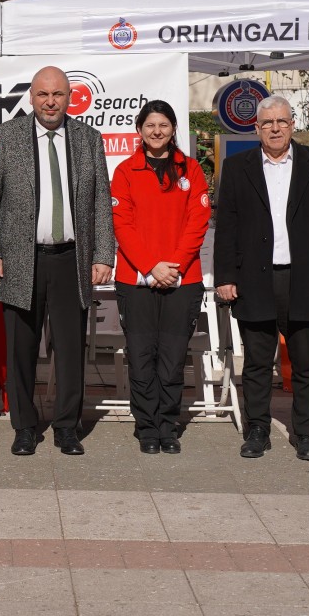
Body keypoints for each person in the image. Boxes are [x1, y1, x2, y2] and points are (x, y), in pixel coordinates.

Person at [0, 66, 116, 456]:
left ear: (69, 97)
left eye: (58, 95)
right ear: (31, 97)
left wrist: (104, 253)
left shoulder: (88, 139)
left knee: (71, 350)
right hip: (20, 260)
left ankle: (67, 427)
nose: (50, 102)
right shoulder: (8, 136)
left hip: (71, 259)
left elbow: (101, 201)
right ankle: (24, 427)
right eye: (42, 95)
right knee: (20, 349)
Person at [214, 95, 309, 461]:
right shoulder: (238, 166)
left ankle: (304, 432)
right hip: (254, 280)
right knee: (256, 363)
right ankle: (257, 429)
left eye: (282, 122)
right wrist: (225, 275)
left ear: (292, 125)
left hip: (304, 278)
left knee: (304, 363)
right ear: (256, 129)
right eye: (268, 123)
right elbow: (226, 226)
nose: (275, 128)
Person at [111, 101, 211, 455]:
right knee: (141, 355)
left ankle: (168, 426)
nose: (157, 131)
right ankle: (146, 427)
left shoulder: (192, 170)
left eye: (164, 125)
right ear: (139, 130)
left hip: (182, 280)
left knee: (172, 357)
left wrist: (175, 266)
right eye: (150, 125)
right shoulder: (125, 171)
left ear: (173, 129)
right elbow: (122, 225)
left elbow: (197, 222)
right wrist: (152, 266)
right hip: (136, 279)